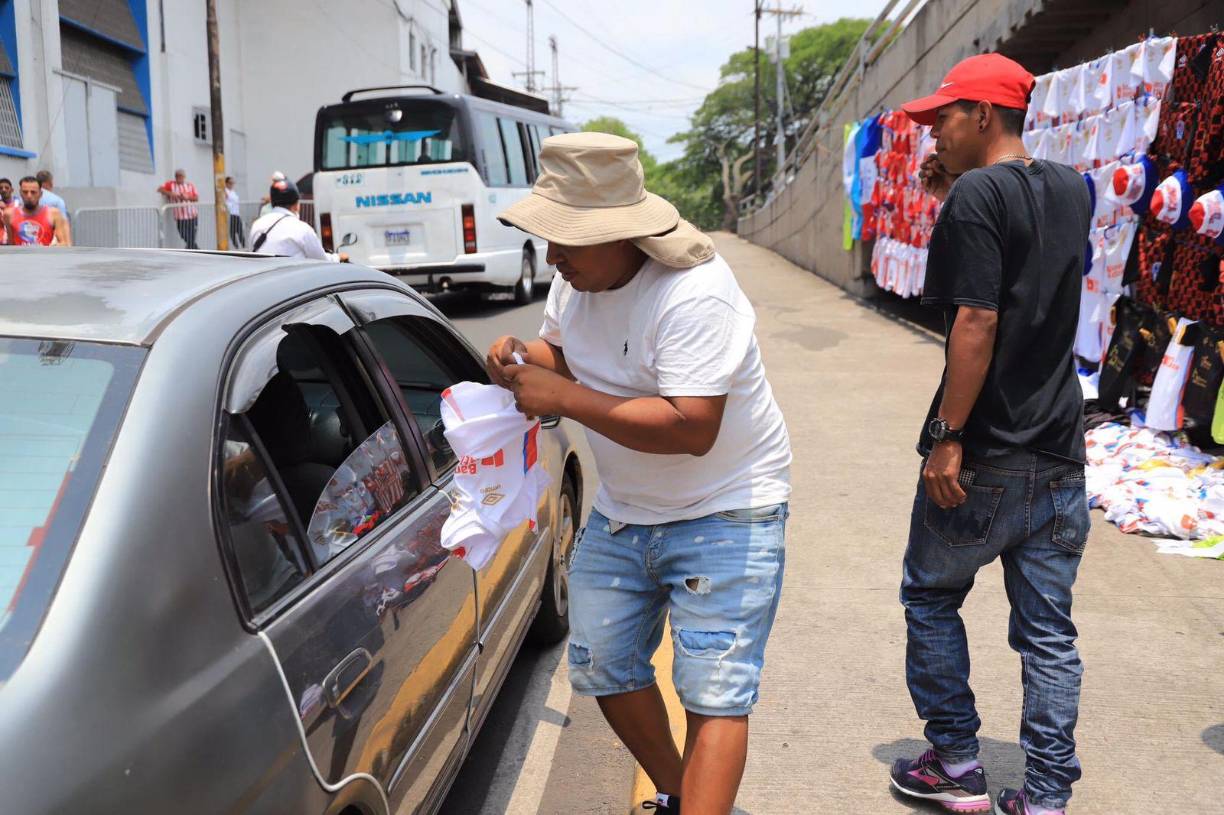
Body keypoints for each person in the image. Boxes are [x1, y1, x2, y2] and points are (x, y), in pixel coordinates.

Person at [486, 132, 792, 815]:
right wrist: (521, 355)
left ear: (621, 234)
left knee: (714, 691)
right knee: (602, 662)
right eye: (547, 237)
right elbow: (567, 353)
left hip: (726, 508)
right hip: (626, 510)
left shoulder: (694, 292)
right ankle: (684, 794)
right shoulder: (575, 283)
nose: (552, 256)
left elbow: (692, 426)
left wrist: (564, 398)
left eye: (565, 238)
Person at [885, 54, 1092, 815]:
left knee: (931, 594)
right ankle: (1045, 797)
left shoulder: (976, 194)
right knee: (1048, 634)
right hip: (1059, 450)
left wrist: (948, 434)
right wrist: (954, 192)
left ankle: (957, 761)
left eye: (943, 116)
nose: (933, 131)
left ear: (982, 115)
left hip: (987, 452)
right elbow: (1027, 267)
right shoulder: (1072, 187)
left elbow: (976, 320)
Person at [249, 177, 346, 262]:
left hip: (263, 276)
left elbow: (252, 254)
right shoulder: (302, 229)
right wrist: (338, 258)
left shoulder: (257, 225)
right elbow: (321, 260)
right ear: (296, 205)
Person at [6, 176, 71, 246]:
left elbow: (64, 243)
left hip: (45, 253)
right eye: (25, 192)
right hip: (18, 253)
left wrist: (53, 247)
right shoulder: (9, 214)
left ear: (40, 194)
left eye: (33, 192)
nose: (29, 196)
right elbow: (11, 244)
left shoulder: (53, 214)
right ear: (20, 193)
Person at [157, 169, 200, 249]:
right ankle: (196, 249)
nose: (179, 178)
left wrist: (187, 198)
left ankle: (192, 250)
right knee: (183, 235)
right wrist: (171, 194)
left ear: (184, 177)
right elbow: (160, 189)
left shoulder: (189, 186)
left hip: (192, 215)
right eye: (177, 176)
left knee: (191, 237)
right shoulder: (171, 184)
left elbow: (196, 198)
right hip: (180, 217)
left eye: (180, 176)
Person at [225, 176, 245, 249]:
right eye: (230, 183)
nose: (232, 185)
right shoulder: (225, 191)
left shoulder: (233, 192)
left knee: (239, 231)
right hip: (231, 213)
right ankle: (236, 247)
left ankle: (243, 246)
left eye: (233, 183)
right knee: (232, 232)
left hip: (236, 213)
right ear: (226, 183)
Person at [0, 178, 15, 245]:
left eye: (6, 187)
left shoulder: (18, 205)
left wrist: (6, 208)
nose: (3, 190)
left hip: (14, 241)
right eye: (1, 188)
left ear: (12, 190)